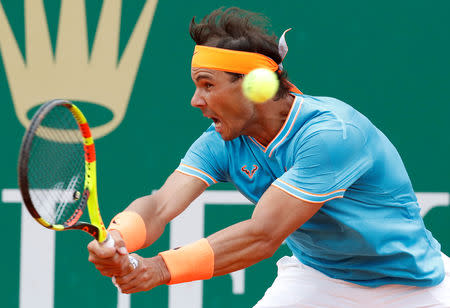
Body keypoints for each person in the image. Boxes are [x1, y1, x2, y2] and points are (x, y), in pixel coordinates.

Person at [87, 7, 450, 307]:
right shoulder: (222, 139)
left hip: (412, 287)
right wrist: (120, 238)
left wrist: (160, 268)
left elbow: (263, 235)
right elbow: (161, 204)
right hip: (318, 277)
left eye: (208, 84)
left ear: (254, 85)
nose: (196, 101)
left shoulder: (331, 135)